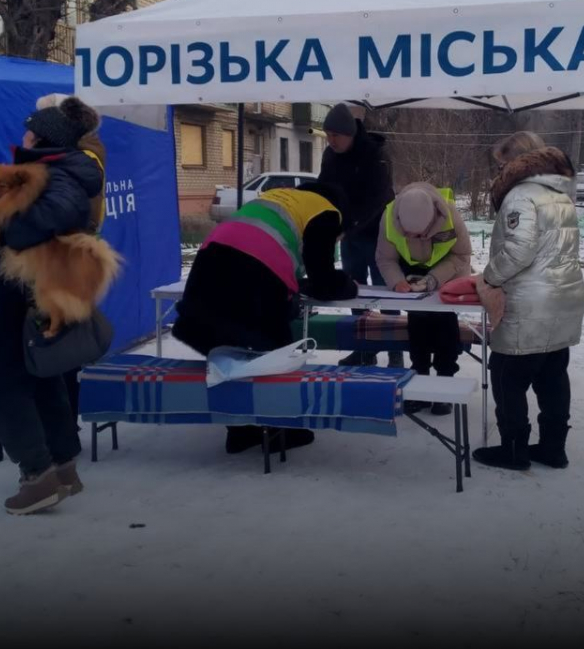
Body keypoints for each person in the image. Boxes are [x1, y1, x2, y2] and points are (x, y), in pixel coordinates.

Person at [0, 96, 104, 514]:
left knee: (3, 385)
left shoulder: (66, 174)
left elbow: (42, 221)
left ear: (43, 136)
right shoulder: (44, 171)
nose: (23, 134)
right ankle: (62, 467)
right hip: (14, 290)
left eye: (29, 128)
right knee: (41, 379)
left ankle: (37, 476)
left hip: (30, 294)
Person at [172, 181, 358, 454]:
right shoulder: (326, 211)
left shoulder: (276, 197)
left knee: (226, 353)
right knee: (274, 356)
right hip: (255, 272)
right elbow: (324, 280)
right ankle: (280, 432)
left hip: (209, 262)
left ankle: (239, 431)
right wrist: (349, 285)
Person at [472, 131, 584, 471]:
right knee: (552, 374)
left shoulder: (521, 196)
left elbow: (519, 251)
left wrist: (489, 277)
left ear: (516, 162)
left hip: (530, 301)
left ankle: (513, 449)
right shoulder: (559, 194)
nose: (498, 172)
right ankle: (553, 447)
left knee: (507, 374)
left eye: (501, 164)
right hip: (565, 296)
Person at [317, 103, 403, 368]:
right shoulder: (330, 155)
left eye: (336, 136)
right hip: (350, 235)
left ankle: (394, 352)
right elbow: (323, 188)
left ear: (350, 133)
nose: (331, 141)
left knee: (385, 294)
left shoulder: (375, 154)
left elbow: (378, 198)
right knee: (355, 291)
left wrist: (347, 226)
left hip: (380, 233)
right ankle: (364, 349)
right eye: (327, 135)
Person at [376, 182, 472, 415]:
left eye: (420, 233)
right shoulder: (389, 216)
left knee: (445, 329)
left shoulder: (449, 215)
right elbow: (385, 258)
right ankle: (420, 384)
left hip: (448, 272)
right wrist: (397, 281)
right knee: (417, 328)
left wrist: (433, 279)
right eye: (410, 234)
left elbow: (462, 255)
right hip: (409, 274)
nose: (416, 237)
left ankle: (444, 386)